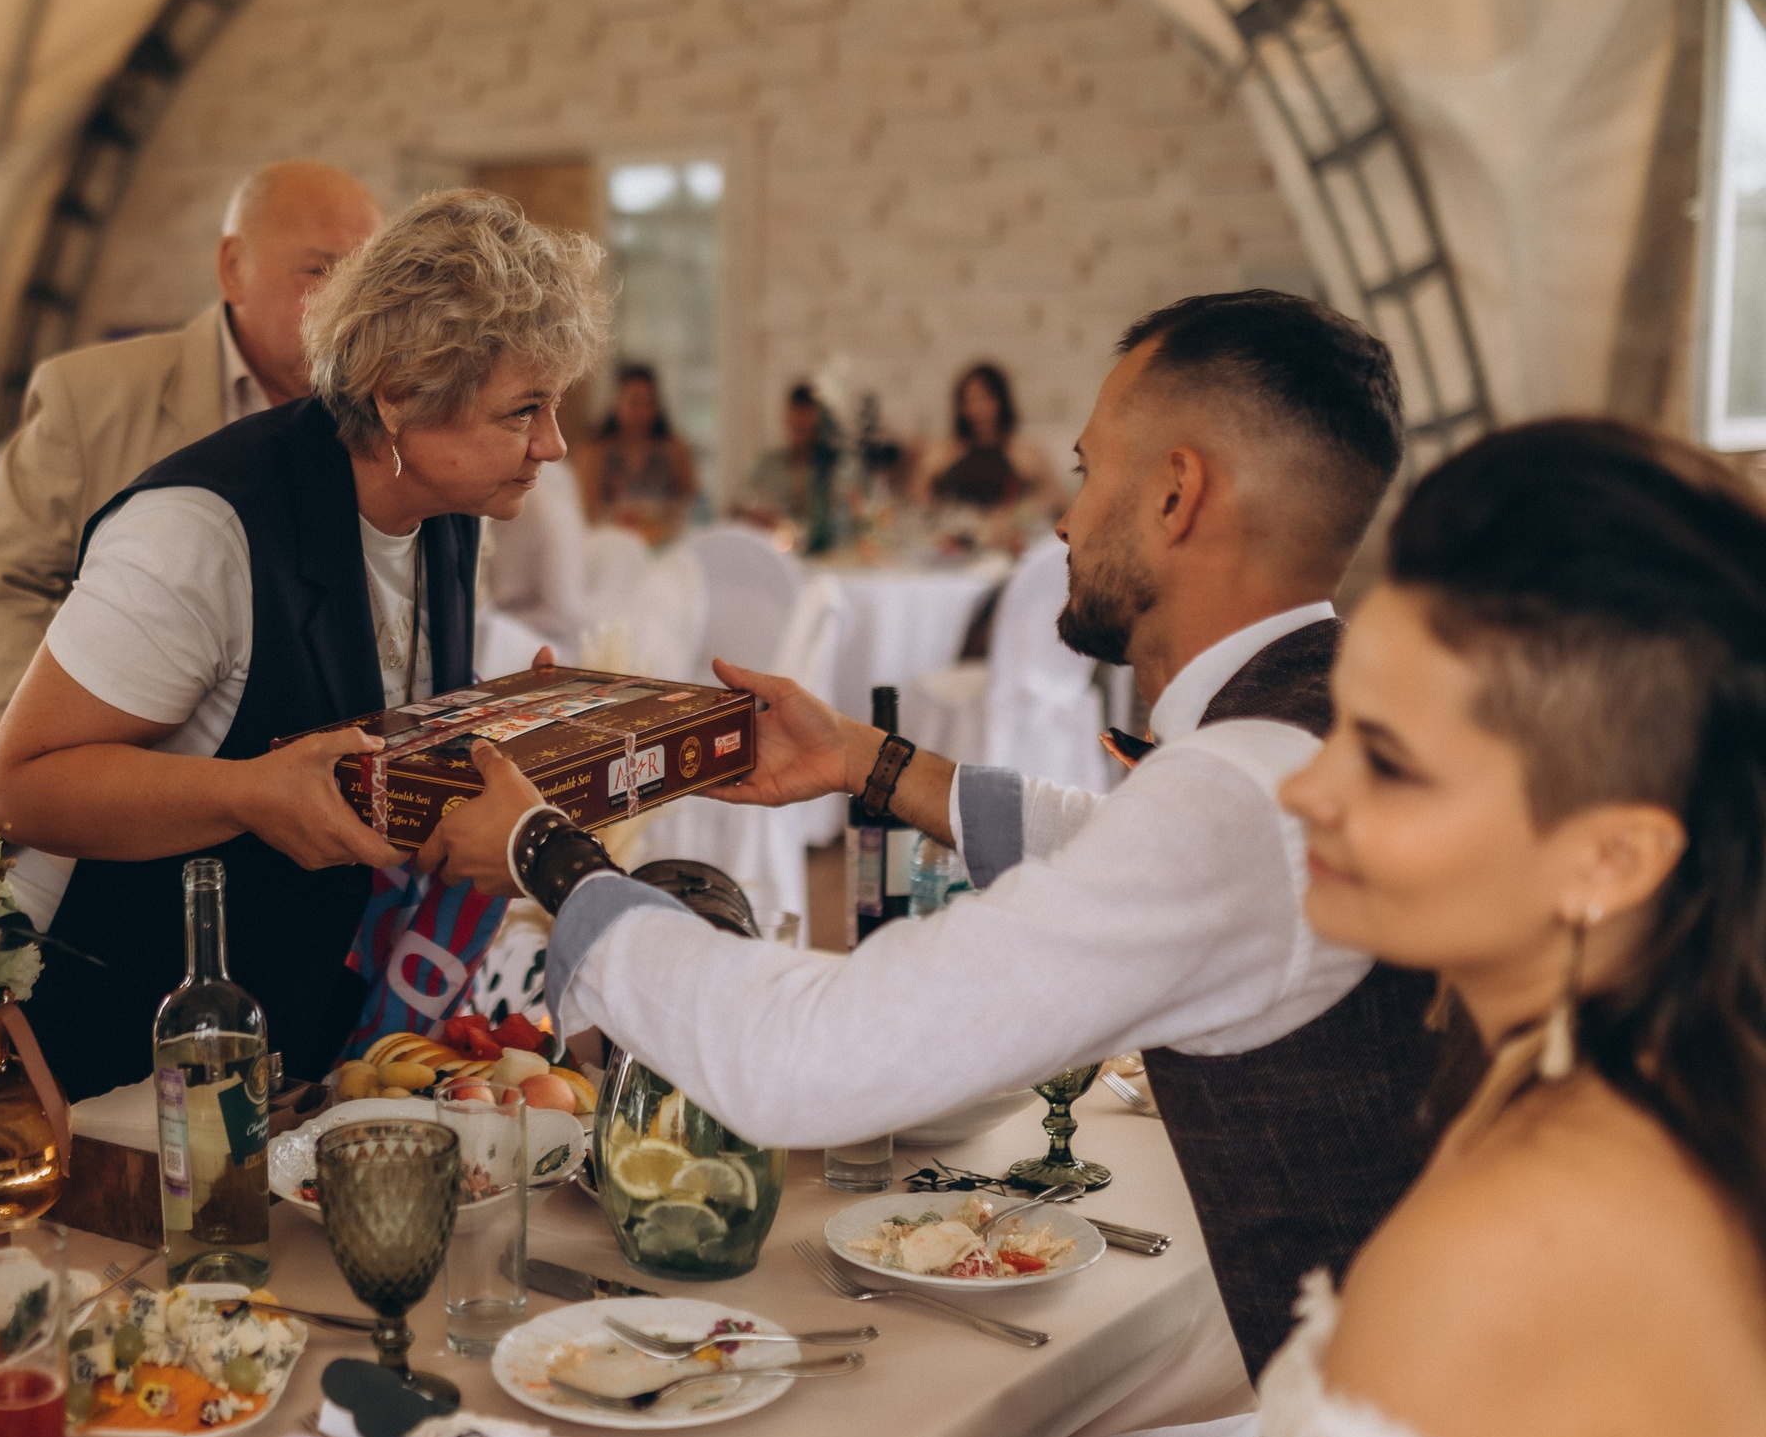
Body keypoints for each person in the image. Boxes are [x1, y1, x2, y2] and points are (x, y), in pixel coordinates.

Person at [423, 290, 1434, 1381]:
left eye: (1089, 474)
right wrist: (869, 762)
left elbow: (799, 1061)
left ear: (1178, 492)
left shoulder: (1235, 799)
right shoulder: (1320, 724)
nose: (1064, 518)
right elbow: (1117, 848)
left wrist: (545, 852)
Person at [0, 190, 604, 1099]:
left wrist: (487, 724)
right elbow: (21, 787)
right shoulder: (199, 533)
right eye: (524, 409)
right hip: (110, 1033)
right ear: (398, 394)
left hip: (283, 1021)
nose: (551, 443)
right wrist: (247, 794)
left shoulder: (445, 506)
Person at [1256, 421, 1766, 1437]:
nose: (1305, 787)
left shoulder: (1511, 1244)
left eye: (1388, 763)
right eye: (1338, 725)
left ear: (1610, 859)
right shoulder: (1666, 1071)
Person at [0, 159, 384, 732]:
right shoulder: (91, 398)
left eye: (369, 280)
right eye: (320, 272)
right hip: (145, 787)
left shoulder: (389, 412)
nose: (352, 308)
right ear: (233, 268)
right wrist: (55, 752)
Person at [483, 452, 591, 663]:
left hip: (544, 646)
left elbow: (564, 616)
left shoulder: (548, 515)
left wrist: (489, 625)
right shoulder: (470, 508)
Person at [577, 363, 696, 542]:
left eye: (648, 402)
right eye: (634, 402)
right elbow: (589, 511)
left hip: (664, 540)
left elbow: (689, 503)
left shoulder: (674, 450)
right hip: (613, 540)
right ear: (616, 402)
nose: (641, 411)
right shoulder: (595, 451)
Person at [918, 360, 1052, 510]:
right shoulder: (944, 453)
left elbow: (1055, 501)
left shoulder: (1025, 454)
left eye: (984, 399)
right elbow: (917, 501)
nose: (977, 409)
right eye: (969, 401)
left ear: (1001, 401)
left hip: (1010, 529)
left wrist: (1021, 513)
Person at [738, 382, 845, 553]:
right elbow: (740, 504)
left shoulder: (832, 466)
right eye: (795, 427)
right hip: (775, 552)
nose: (800, 435)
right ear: (786, 419)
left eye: (805, 428)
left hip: (825, 554)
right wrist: (755, 515)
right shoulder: (767, 464)